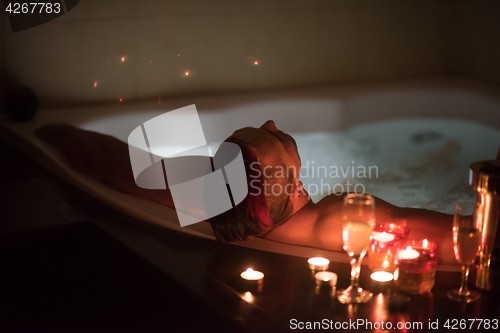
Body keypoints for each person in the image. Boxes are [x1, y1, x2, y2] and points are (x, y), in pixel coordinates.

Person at [35, 121, 455, 264]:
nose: (271, 123)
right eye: (275, 137)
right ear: (293, 187)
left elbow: (112, 164)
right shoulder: (341, 220)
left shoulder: (212, 196)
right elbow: (470, 239)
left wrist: (63, 132)